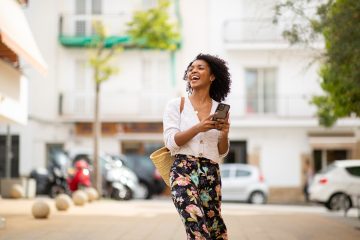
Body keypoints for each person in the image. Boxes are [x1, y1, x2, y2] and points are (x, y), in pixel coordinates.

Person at [163, 53, 231, 240]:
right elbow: (170, 142)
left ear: (212, 76)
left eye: (200, 68)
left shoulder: (219, 109)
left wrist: (225, 133)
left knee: (215, 229)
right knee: (196, 227)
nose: (194, 70)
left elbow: (222, 151)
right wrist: (198, 127)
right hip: (182, 171)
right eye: (191, 68)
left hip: (210, 173)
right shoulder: (176, 105)